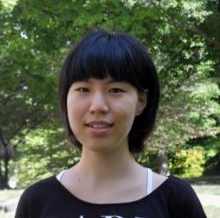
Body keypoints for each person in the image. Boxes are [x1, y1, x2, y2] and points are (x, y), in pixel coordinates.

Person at [15, 29, 207, 218]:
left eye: (115, 90)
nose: (97, 106)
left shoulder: (176, 200)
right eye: (83, 89)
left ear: (141, 102)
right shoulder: (37, 201)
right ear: (66, 98)